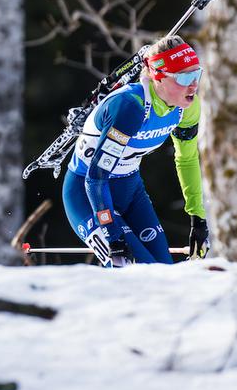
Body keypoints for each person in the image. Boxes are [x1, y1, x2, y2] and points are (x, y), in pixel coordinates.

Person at [61, 35, 210, 267]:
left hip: (130, 190)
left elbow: (187, 159)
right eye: (184, 77)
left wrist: (198, 218)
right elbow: (96, 179)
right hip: (87, 194)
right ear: (158, 77)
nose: (193, 85)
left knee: (165, 272)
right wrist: (111, 233)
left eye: (196, 74)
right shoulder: (131, 107)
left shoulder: (187, 109)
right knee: (136, 273)